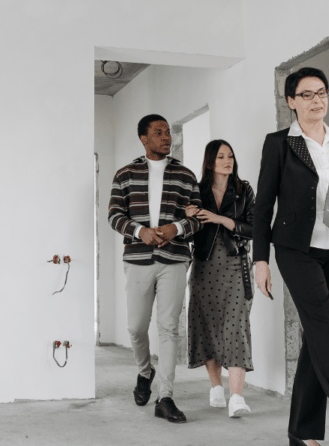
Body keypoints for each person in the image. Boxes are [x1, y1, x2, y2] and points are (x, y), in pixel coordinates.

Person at [252, 67, 329, 446]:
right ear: (291, 101)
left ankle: (302, 433)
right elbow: (263, 204)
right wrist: (260, 260)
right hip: (295, 250)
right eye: (306, 94)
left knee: (318, 340)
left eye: (321, 92)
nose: (316, 100)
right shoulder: (278, 143)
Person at [108, 114, 202, 424]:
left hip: (174, 259)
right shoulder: (125, 174)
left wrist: (176, 228)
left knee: (168, 328)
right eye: (158, 133)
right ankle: (144, 371)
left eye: (167, 132)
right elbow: (114, 215)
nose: (166, 137)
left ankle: (166, 397)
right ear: (144, 139)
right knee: (136, 327)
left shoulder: (186, 175)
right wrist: (139, 232)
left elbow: (197, 217)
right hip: (137, 258)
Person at [184, 140, 256, 418]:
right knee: (206, 325)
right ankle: (216, 387)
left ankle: (236, 396)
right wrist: (188, 216)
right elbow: (186, 234)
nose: (228, 161)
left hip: (236, 264)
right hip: (203, 267)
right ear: (210, 162)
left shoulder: (244, 190)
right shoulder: (197, 192)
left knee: (236, 326)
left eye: (231, 156)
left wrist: (221, 219)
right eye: (221, 157)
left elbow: (255, 228)